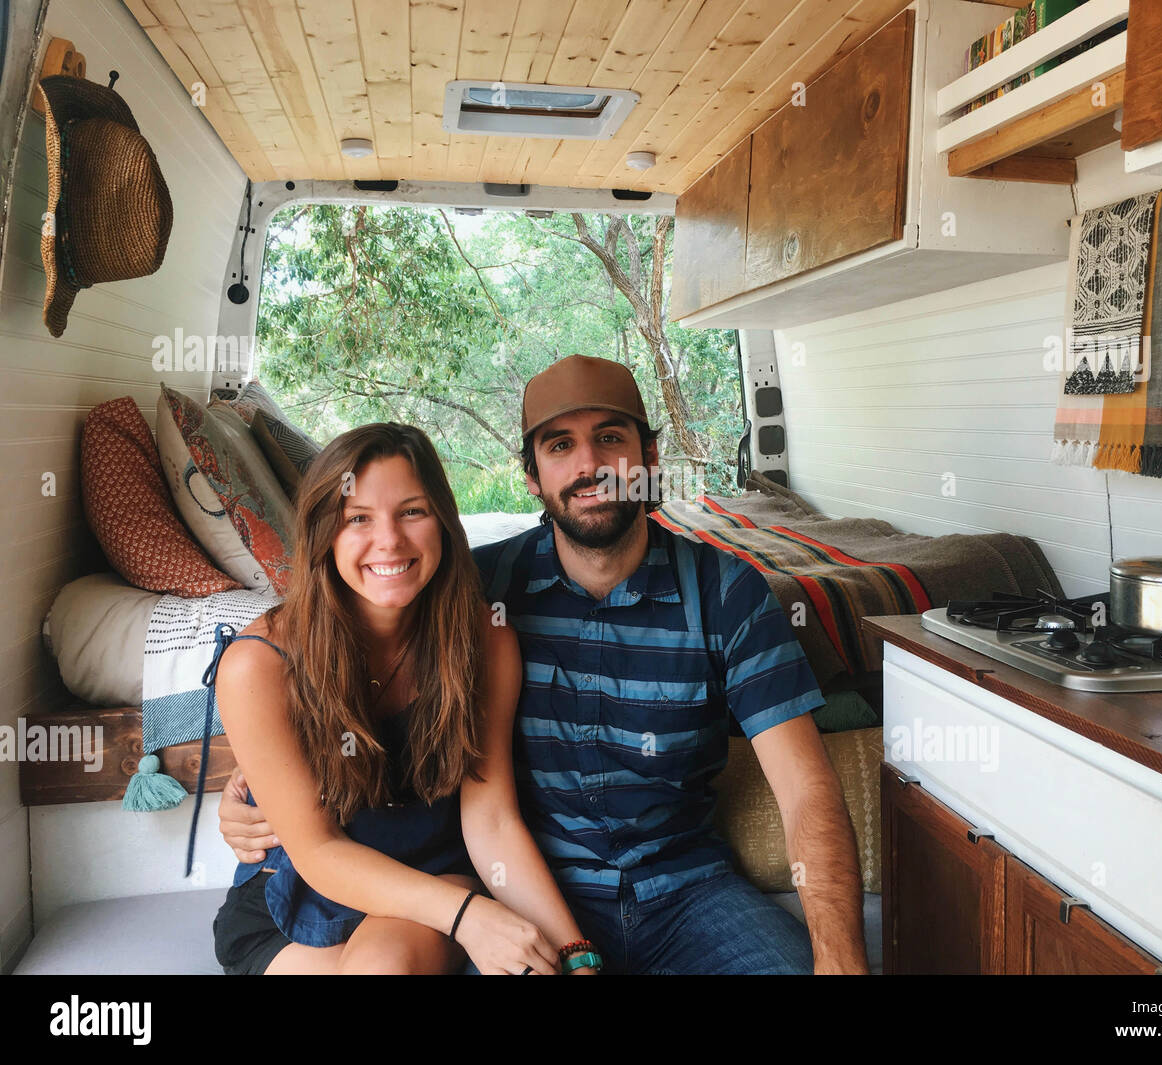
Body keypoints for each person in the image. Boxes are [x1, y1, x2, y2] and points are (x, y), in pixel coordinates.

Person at [221, 356, 868, 974]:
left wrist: (841, 959)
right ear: (531, 474)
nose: (589, 464)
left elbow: (807, 791)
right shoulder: (487, 585)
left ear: (650, 457)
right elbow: (310, 681)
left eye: (610, 438)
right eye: (560, 445)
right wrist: (248, 783)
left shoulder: (723, 594)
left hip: (685, 892)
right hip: (513, 891)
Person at [210, 422, 598, 974]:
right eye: (357, 519)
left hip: (434, 877)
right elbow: (318, 851)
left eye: (412, 512)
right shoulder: (258, 665)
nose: (388, 541)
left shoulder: (486, 640)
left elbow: (492, 821)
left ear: (443, 520)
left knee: (384, 968)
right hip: (300, 888)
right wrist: (472, 919)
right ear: (324, 533)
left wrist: (575, 953)